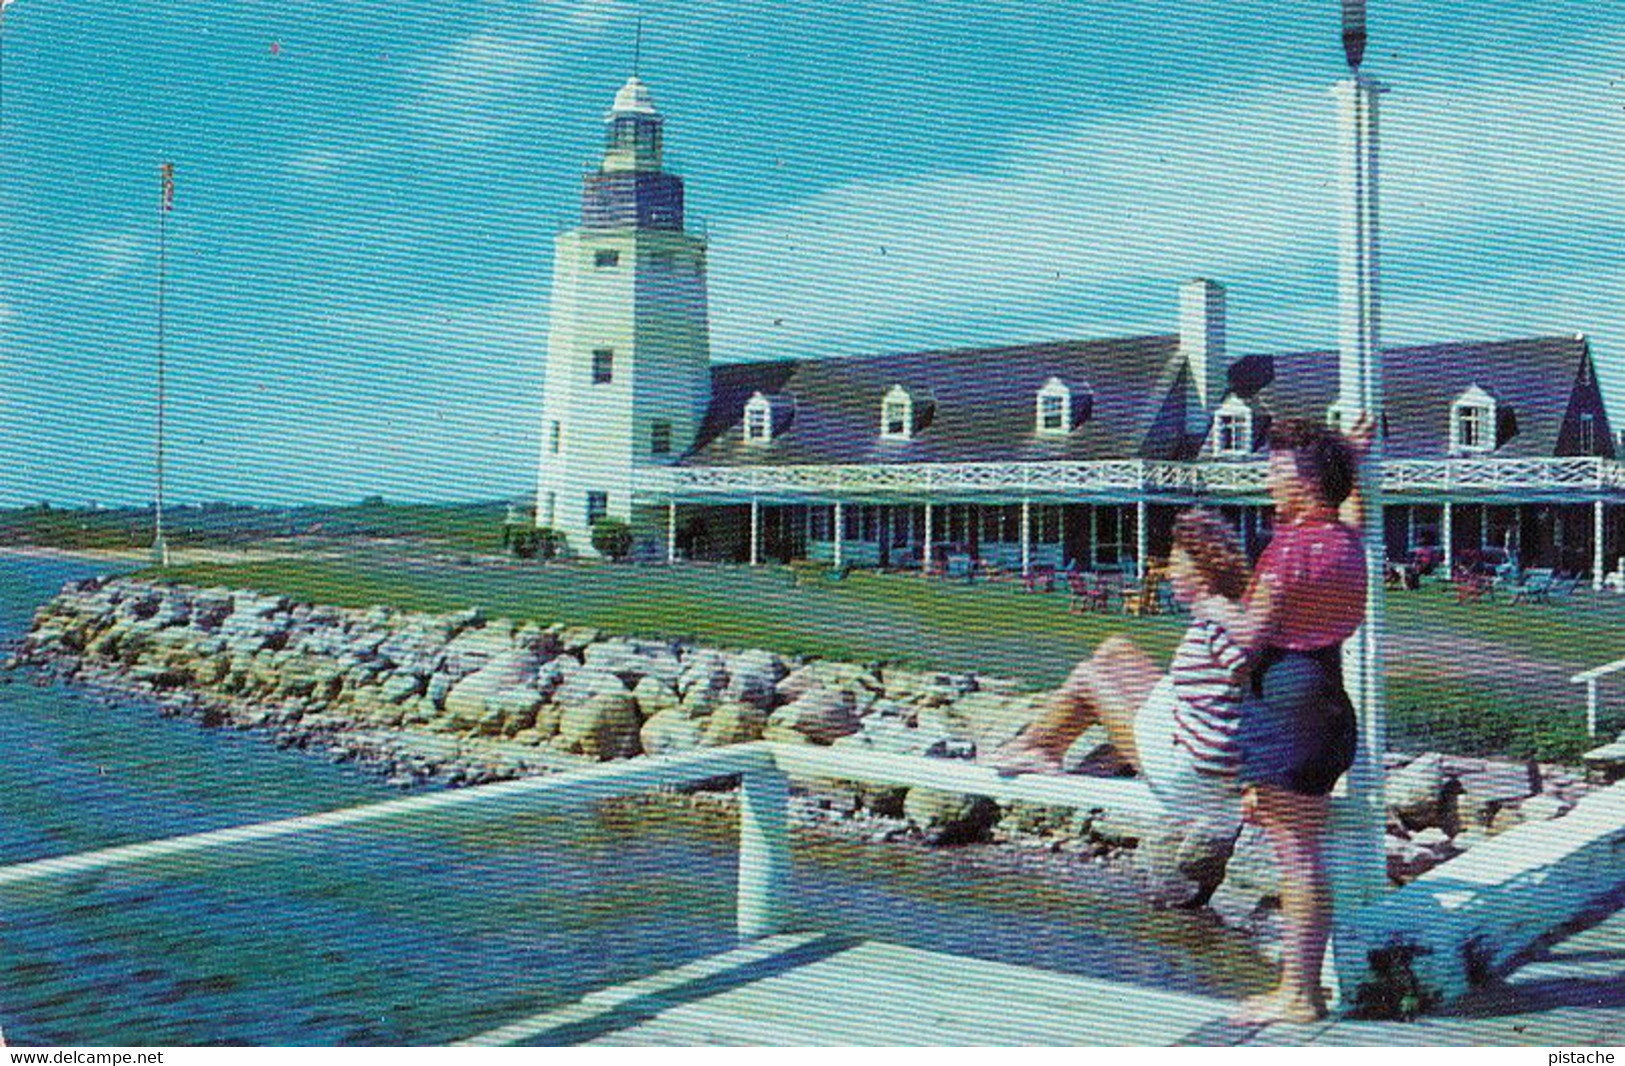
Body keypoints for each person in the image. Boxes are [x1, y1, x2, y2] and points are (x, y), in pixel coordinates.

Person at [1228, 415, 1370, 1025]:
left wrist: (1211, 603)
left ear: (1305, 481)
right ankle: (1300, 987)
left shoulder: (1285, 553)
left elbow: (1243, 647)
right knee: (1302, 849)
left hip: (1286, 711)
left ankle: (1301, 995)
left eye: (1274, 469)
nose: (1266, 480)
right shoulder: (1343, 540)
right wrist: (1350, 461)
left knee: (1298, 856)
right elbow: (1350, 510)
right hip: (1328, 705)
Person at [987, 508, 1252, 828]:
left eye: (1176, 560)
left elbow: (1250, 668)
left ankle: (1039, 749)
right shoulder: (1217, 611)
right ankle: (1054, 744)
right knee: (1116, 648)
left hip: (1191, 777)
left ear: (1201, 568)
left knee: (1088, 677)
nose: (1168, 571)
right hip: (1193, 744)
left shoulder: (1219, 617)